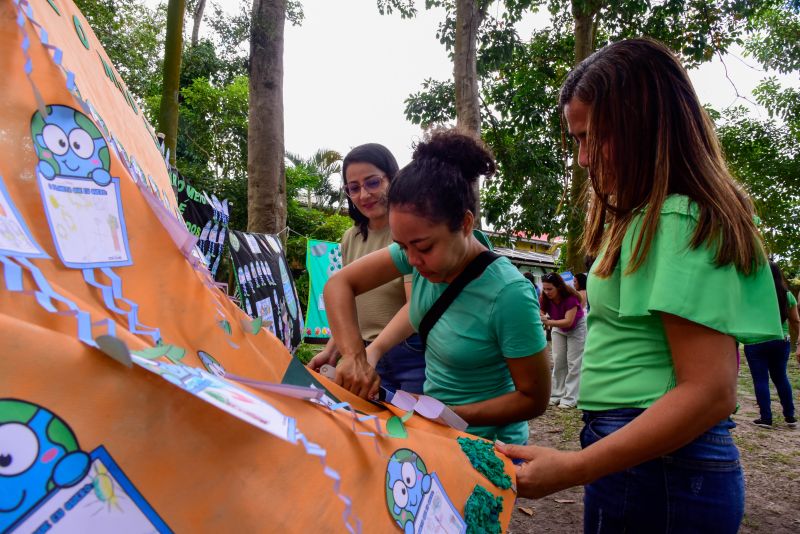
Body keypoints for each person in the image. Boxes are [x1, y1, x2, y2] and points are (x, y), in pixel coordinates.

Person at [495, 38, 782, 532]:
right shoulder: (647, 218)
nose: (583, 160)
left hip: (664, 467)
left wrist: (574, 469)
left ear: (645, 125)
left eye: (593, 137)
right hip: (646, 456)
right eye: (577, 141)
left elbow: (709, 390)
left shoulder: (673, 218)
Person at [324, 129, 551, 444]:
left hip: (487, 448)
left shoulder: (508, 294)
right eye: (402, 247)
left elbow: (533, 399)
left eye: (424, 247)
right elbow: (339, 284)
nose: (412, 260)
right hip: (436, 438)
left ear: (466, 224)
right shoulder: (421, 257)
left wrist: (447, 412)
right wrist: (356, 355)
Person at [308, 144, 426, 393]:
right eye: (353, 188)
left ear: (393, 179)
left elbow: (415, 305)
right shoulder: (350, 238)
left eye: (373, 182)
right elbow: (349, 303)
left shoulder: (408, 232)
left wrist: (371, 353)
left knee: (409, 428)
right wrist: (331, 351)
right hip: (366, 353)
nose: (363, 195)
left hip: (410, 355)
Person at [743, 261, 798, 428]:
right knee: (781, 377)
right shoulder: (787, 295)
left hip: (756, 342)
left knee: (760, 380)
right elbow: (795, 320)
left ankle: (766, 418)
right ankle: (790, 417)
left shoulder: (752, 293)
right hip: (781, 341)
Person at [539, 272, 586, 408]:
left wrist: (549, 321)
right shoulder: (545, 298)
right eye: (545, 289)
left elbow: (568, 322)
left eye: (550, 289)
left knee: (574, 363)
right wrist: (542, 316)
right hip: (558, 327)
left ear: (558, 287)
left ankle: (571, 397)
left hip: (576, 327)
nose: (547, 292)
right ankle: (557, 394)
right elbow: (541, 311)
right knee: (559, 361)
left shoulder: (571, 298)